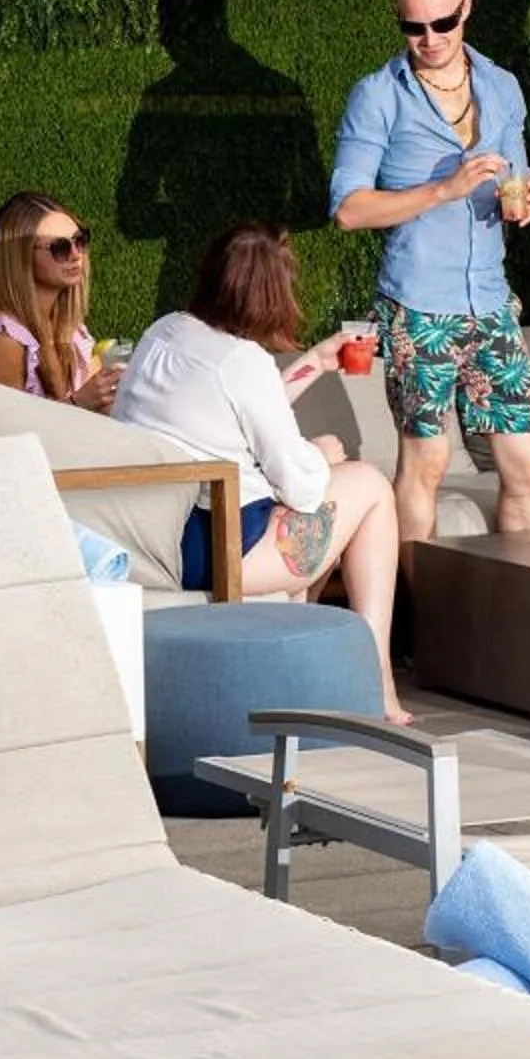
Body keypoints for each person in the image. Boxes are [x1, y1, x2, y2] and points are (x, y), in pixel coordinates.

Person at [113, 222, 412, 724]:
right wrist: (320, 454)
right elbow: (302, 485)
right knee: (372, 488)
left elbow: (234, 410)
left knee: (332, 486)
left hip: (161, 533)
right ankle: (375, 677)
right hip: (223, 550)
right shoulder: (242, 361)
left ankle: (310, 673)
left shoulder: (165, 332)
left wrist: (314, 363)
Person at [330, 0, 530, 539]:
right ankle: (414, 614)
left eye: (442, 24)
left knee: (526, 464)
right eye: (413, 27)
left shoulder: (501, 87)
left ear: (466, 10)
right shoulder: (377, 95)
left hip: (491, 300)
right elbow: (348, 209)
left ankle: (523, 607)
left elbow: (514, 179)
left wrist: (523, 199)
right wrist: (442, 189)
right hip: (419, 304)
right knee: (427, 461)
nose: (428, 39)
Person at [0, 192, 121, 410]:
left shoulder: (69, 331)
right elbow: (0, 435)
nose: (76, 254)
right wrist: (80, 404)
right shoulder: (0, 341)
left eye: (80, 240)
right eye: (59, 247)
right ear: (20, 258)